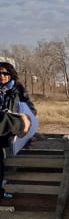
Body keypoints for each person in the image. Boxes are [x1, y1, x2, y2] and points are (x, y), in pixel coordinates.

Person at [0, 59, 36, 198]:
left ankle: (10, 185)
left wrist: (25, 122)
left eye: (5, 73)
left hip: (14, 129)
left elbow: (30, 111)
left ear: (11, 74)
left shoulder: (18, 89)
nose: (2, 76)